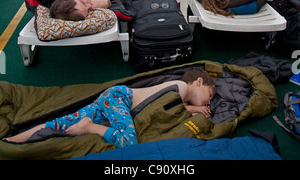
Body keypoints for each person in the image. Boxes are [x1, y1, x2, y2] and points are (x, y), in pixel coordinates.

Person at [3, 67, 216, 147]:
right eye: (210, 95)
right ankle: (89, 127)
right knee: (128, 142)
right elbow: (167, 107)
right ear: (198, 81)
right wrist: (195, 110)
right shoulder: (180, 86)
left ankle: (12, 140)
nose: (209, 102)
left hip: (112, 99)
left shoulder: (182, 94)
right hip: (118, 99)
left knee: (59, 123)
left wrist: (193, 108)